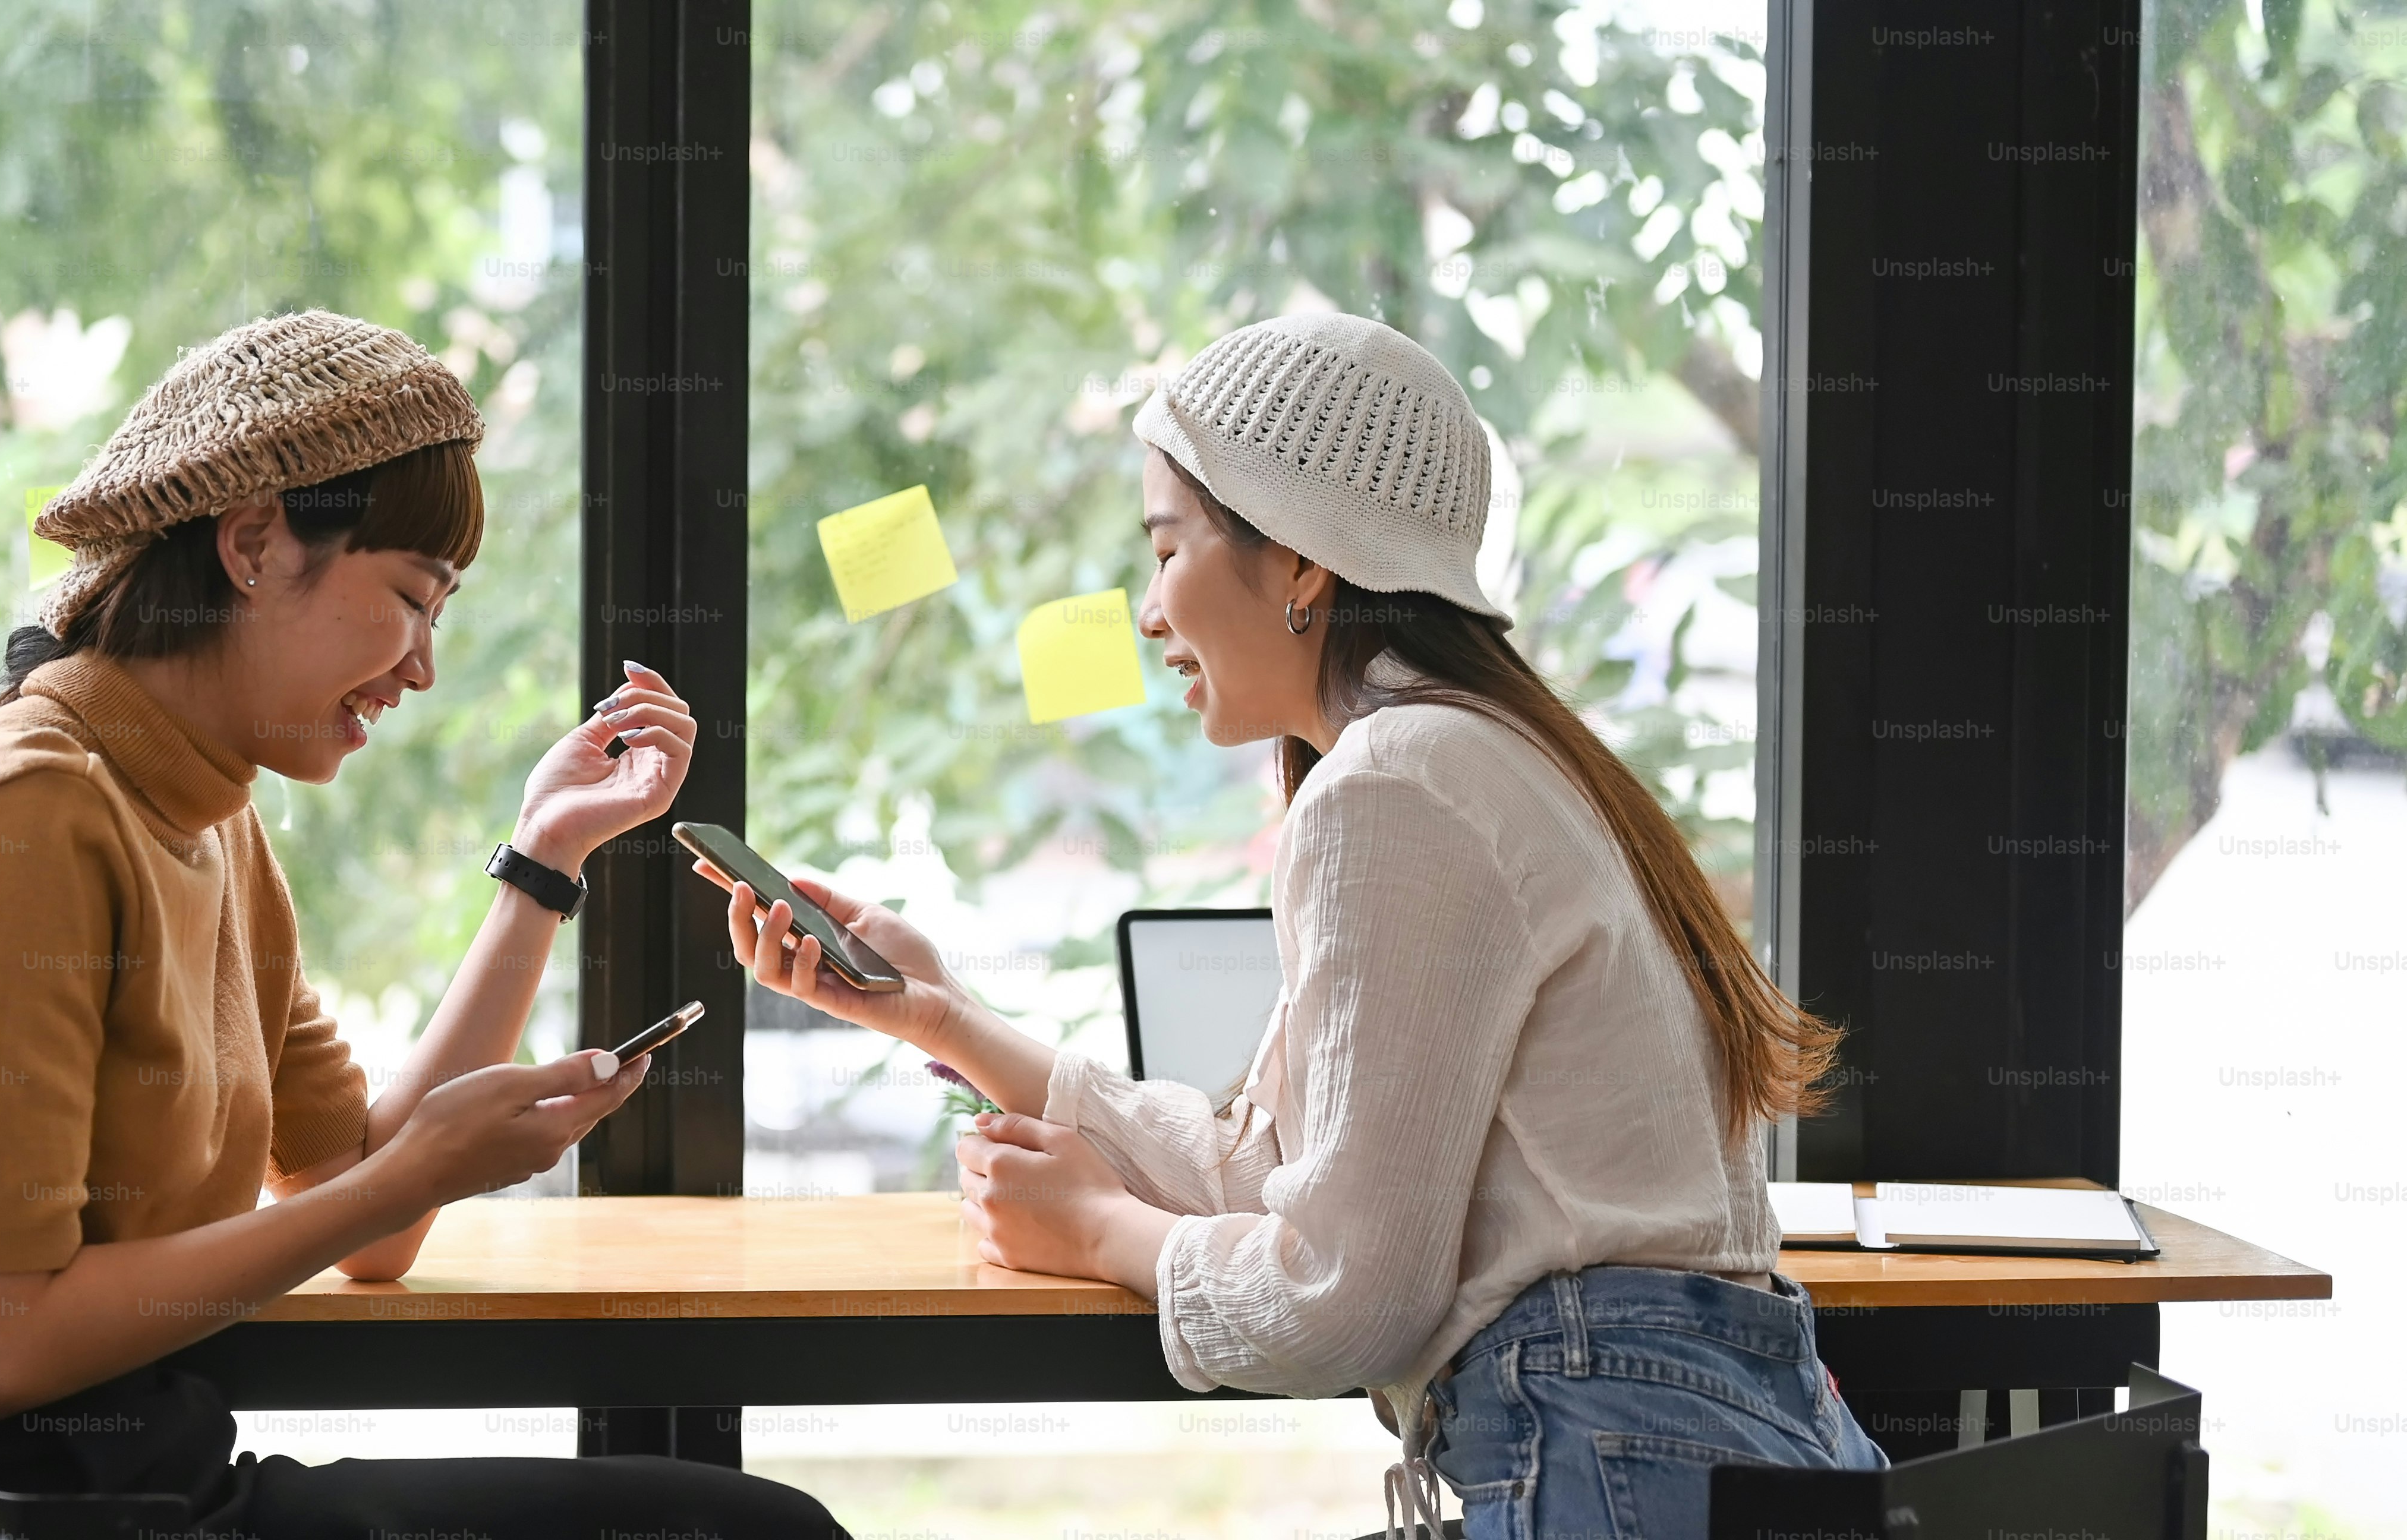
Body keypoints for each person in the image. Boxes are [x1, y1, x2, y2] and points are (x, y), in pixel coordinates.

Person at [695, 313, 1886, 1539]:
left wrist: (1107, 1233)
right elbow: (1274, 1172)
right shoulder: (1480, 752)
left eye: (1167, 551)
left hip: (1610, 1453)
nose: (1150, 613)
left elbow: (1346, 1297)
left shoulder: (1398, 783)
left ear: (1305, 564)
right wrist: (944, 1017)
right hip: (1681, 1438)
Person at [0, 310, 844, 1538]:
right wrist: (405, 1175)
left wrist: (547, 857)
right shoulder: (24, 821)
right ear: (252, 545)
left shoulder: (206, 815)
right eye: (410, 597)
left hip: (144, 1489)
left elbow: (359, 1197)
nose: (423, 668)